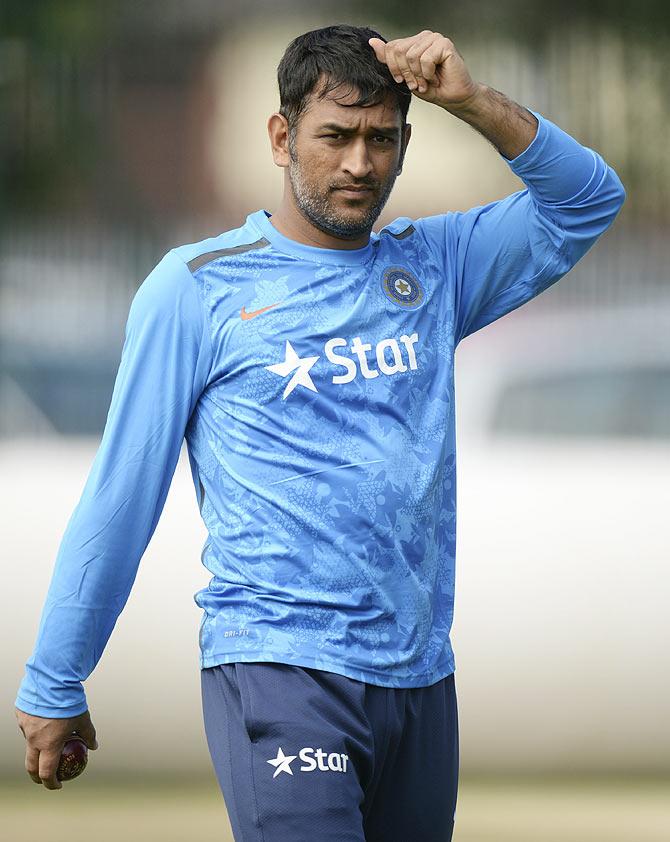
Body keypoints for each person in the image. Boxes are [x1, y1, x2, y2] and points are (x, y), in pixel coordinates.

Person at [15, 22, 625, 841]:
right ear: (280, 136)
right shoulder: (198, 289)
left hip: (418, 674)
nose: (359, 164)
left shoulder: (437, 267)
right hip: (279, 666)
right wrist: (56, 678)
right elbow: (122, 495)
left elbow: (589, 198)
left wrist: (471, 101)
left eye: (382, 139)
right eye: (335, 135)